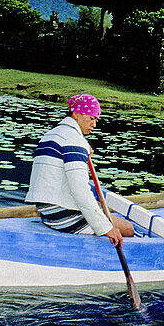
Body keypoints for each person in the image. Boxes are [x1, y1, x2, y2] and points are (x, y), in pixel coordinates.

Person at [25, 94, 134, 246]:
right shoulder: (74, 141)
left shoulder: (52, 134)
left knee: (97, 206)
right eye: (91, 118)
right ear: (76, 114)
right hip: (62, 216)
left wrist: (83, 146)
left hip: (47, 212)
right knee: (128, 229)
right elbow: (79, 190)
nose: (94, 124)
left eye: (96, 120)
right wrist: (105, 228)